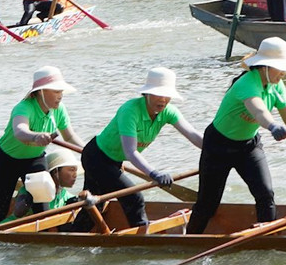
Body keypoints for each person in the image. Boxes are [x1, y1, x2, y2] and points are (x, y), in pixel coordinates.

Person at [187, 36, 286, 234]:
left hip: (248, 147)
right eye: (279, 67)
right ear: (264, 66)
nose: (283, 72)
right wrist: (273, 126)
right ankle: (189, 242)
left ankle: (268, 239)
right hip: (218, 147)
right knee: (207, 204)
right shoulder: (247, 83)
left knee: (266, 194)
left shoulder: (277, 85)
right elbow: (258, 111)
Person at [84, 67, 205, 229]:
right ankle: (144, 237)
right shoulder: (130, 111)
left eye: (166, 95)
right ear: (146, 94)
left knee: (95, 206)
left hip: (115, 161)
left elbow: (192, 135)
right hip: (96, 158)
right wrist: (154, 173)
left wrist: (217, 150)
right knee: (134, 197)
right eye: (157, 94)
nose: (162, 100)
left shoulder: (169, 112)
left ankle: (66, 237)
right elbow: (131, 151)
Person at [0, 66, 77, 225]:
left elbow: (70, 136)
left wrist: (92, 153)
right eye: (56, 92)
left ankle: (43, 241)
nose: (60, 96)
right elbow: (19, 131)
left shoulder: (59, 110)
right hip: (6, 160)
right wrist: (36, 136)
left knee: (42, 210)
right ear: (40, 92)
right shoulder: (24, 107)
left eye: (61, 92)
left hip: (34, 160)